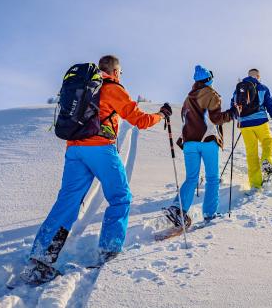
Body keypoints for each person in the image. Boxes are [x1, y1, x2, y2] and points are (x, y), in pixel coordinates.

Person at [22, 55, 172, 284]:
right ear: (114, 70)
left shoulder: (86, 87)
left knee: (67, 201)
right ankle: (109, 250)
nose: (120, 76)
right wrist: (161, 115)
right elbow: (139, 120)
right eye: (120, 72)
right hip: (100, 148)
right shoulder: (112, 88)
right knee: (121, 197)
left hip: (74, 150)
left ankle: (41, 258)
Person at [164, 65, 235, 228]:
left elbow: (185, 119)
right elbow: (216, 118)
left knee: (191, 178)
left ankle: (178, 208)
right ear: (209, 79)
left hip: (189, 143)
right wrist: (232, 114)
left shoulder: (188, 98)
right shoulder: (211, 94)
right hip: (207, 141)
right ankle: (210, 214)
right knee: (212, 178)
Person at [232, 68, 272, 193]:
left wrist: (240, 118)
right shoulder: (262, 88)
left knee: (251, 154)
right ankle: (266, 160)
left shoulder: (238, 89)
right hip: (260, 121)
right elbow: (271, 106)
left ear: (248, 76)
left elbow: (233, 107)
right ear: (258, 76)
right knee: (268, 141)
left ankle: (255, 185)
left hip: (244, 125)